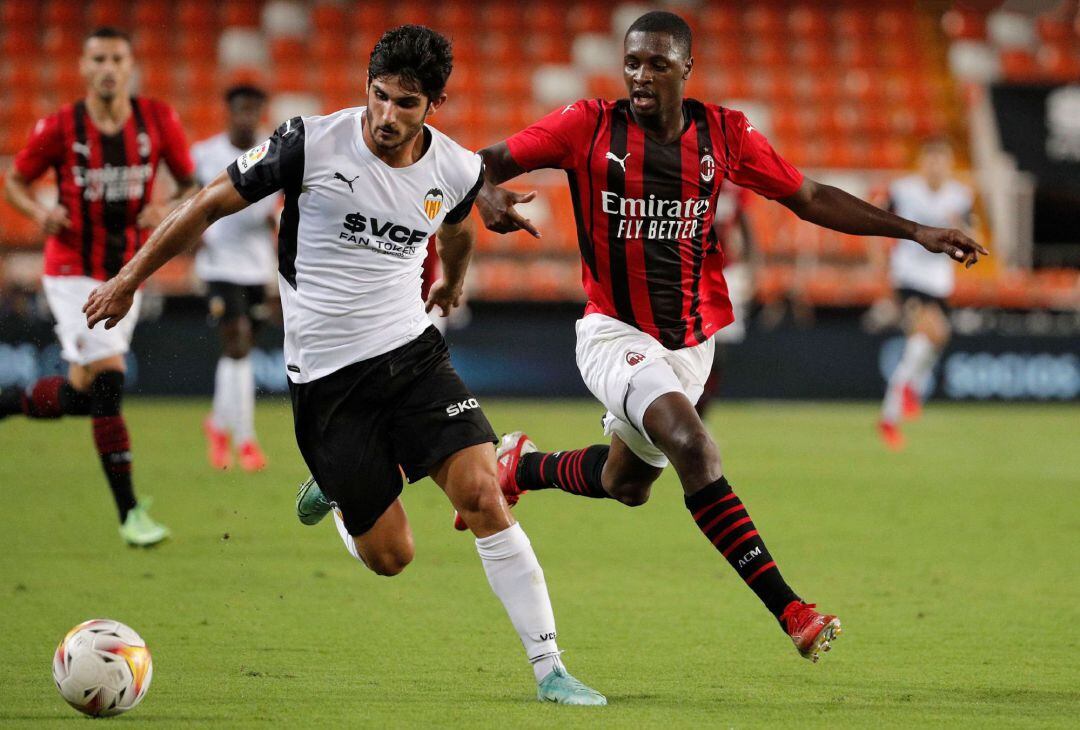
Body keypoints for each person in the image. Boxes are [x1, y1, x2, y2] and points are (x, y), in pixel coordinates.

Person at [83, 25, 605, 705]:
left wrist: (450, 282)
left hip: (413, 356)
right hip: (327, 383)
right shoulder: (310, 143)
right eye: (379, 96)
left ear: (434, 104)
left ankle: (550, 668)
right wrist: (130, 278)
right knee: (393, 558)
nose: (387, 117)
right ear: (366, 86)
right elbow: (210, 202)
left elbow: (456, 224)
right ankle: (335, 491)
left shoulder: (452, 166)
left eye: (407, 104)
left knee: (481, 493)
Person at [473, 11, 987, 663]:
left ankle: (521, 466)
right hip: (613, 331)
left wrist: (917, 231)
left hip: (691, 341)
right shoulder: (587, 125)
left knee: (628, 483)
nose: (641, 75)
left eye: (658, 63)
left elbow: (811, 196)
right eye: (632, 62)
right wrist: (485, 195)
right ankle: (792, 610)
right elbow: (479, 163)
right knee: (695, 445)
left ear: (686, 70)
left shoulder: (724, 133)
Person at [1, 27, 196, 546]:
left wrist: (168, 206)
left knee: (82, 395)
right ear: (84, 68)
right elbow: (15, 180)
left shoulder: (159, 120)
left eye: (117, 58)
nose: (108, 67)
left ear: (130, 67)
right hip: (71, 272)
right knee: (109, 379)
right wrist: (39, 211)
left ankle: (5, 403)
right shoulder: (61, 126)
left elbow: (193, 183)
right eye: (98, 59)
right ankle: (131, 514)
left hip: (126, 271)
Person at [192, 85, 278, 471]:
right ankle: (245, 440)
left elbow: (282, 204)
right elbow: (189, 202)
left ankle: (217, 423)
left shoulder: (273, 151)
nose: (247, 117)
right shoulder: (205, 155)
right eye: (241, 109)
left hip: (257, 265)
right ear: (229, 112)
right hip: (219, 264)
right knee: (238, 343)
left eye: (253, 110)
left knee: (240, 351)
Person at [877, 137, 974, 450]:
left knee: (934, 337)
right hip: (908, 277)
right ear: (922, 163)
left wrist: (962, 228)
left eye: (942, 161)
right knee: (925, 333)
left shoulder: (960, 196)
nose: (936, 167)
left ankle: (906, 395)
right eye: (931, 161)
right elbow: (877, 219)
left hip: (939, 282)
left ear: (949, 165)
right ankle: (893, 412)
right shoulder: (904, 190)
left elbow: (975, 236)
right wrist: (879, 263)